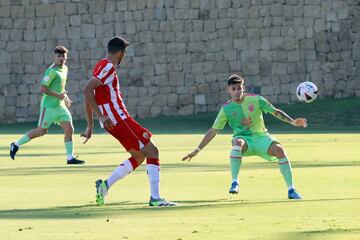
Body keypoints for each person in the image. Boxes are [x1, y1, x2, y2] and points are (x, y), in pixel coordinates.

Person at [82, 36, 177, 207]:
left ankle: (105, 186)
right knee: (153, 151)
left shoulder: (100, 66)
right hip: (119, 119)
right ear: (119, 52)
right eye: (124, 53)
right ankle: (155, 198)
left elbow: (89, 95)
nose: (124, 56)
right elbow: (87, 90)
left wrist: (91, 124)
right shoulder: (108, 67)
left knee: (139, 156)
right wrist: (100, 117)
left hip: (114, 121)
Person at [182, 74, 307, 199]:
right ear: (228, 90)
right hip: (244, 141)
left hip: (261, 137)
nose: (237, 92)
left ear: (243, 88)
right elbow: (213, 131)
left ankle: (291, 190)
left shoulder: (257, 99)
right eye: (234, 89)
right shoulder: (226, 109)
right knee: (237, 143)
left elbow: (275, 111)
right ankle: (234, 182)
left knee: (280, 151)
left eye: (239, 88)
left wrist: (293, 122)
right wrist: (197, 150)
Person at [10, 46, 85, 165]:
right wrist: (58, 96)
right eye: (58, 56)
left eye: (63, 56)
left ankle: (70, 158)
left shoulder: (65, 68)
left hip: (60, 106)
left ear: (66, 57)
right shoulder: (51, 71)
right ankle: (16, 144)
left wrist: (65, 97)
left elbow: (60, 86)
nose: (61, 58)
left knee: (69, 128)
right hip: (48, 107)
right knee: (41, 131)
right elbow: (43, 88)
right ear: (54, 57)